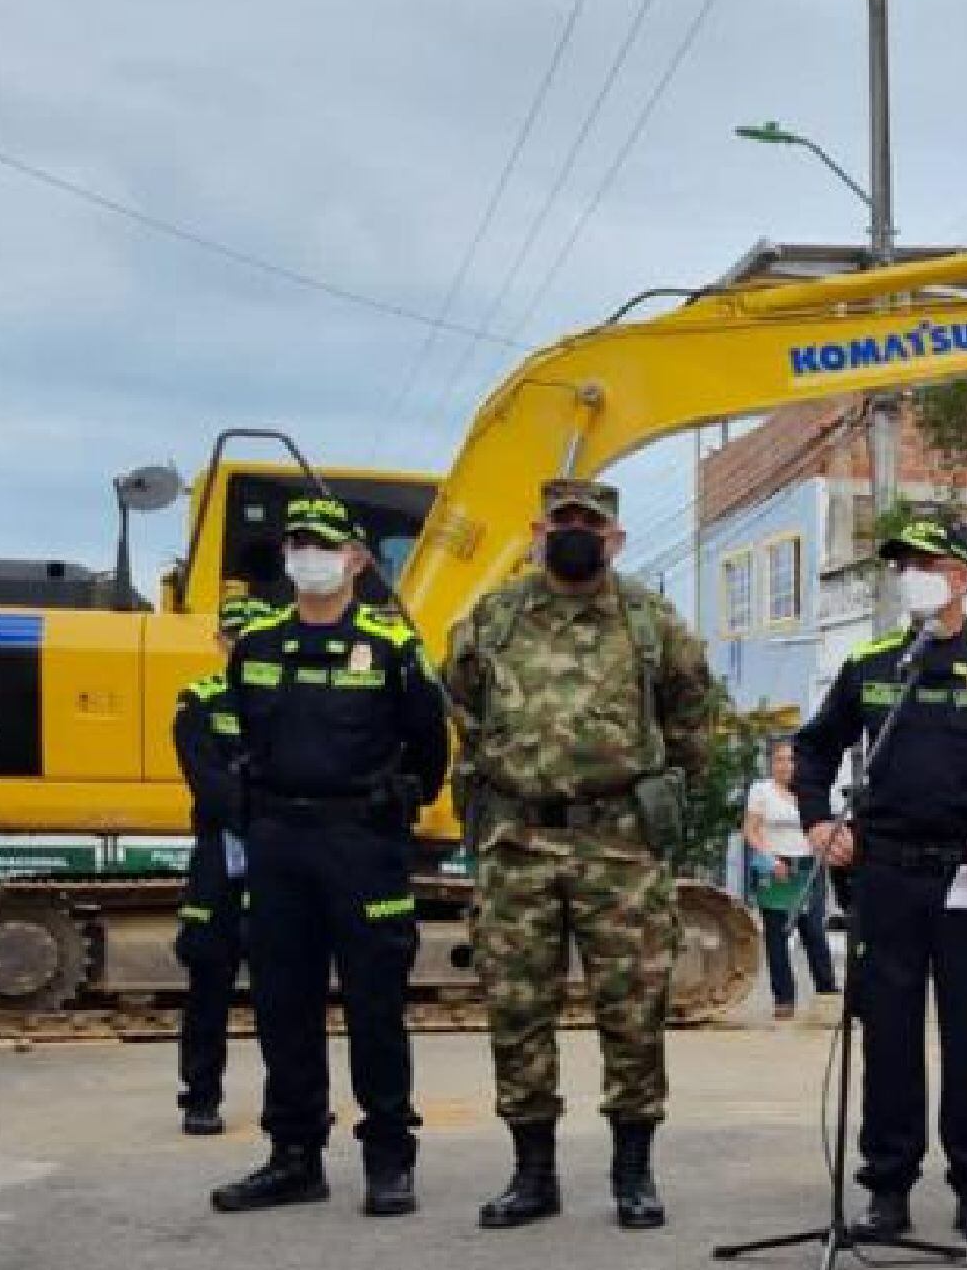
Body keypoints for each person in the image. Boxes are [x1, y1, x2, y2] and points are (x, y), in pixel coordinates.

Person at [445, 477, 714, 1233]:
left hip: (618, 845)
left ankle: (634, 1172)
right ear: (538, 530)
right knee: (517, 1010)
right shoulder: (495, 618)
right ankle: (533, 1175)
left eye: (588, 524)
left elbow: (693, 715)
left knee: (633, 1013)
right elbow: (461, 701)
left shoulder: (651, 621)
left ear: (613, 538)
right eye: (561, 521)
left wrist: (654, 791)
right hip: (517, 841)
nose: (574, 533)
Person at [792, 518, 967, 1245]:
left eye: (927, 562)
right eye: (903, 564)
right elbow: (814, 750)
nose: (912, 573)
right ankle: (887, 1188)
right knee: (887, 1037)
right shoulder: (872, 664)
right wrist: (820, 820)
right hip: (885, 874)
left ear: (962, 576)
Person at [210, 496, 449, 1217]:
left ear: (355, 560)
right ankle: (293, 1157)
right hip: (279, 844)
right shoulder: (255, 647)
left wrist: (394, 808)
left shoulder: (391, 646)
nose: (308, 555)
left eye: (324, 544)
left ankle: (388, 1160)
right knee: (283, 1006)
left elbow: (428, 747)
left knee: (376, 1007)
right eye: (297, 543)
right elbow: (237, 742)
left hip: (362, 845)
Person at [173, 593, 273, 1136]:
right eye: (236, 637)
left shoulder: (288, 701)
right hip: (223, 859)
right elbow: (208, 783)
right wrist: (266, 814)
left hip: (280, 860)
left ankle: (293, 1098)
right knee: (209, 981)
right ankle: (200, 1096)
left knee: (287, 988)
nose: (243, 646)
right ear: (222, 641)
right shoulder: (199, 702)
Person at [743, 740, 838, 1019]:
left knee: (814, 932)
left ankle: (827, 995)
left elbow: (825, 829)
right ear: (772, 764)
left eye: (791, 760)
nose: (786, 765)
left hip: (809, 867)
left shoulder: (813, 792)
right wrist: (770, 860)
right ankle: (783, 1000)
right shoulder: (761, 791)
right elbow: (751, 831)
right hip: (773, 867)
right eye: (779, 760)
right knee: (776, 937)